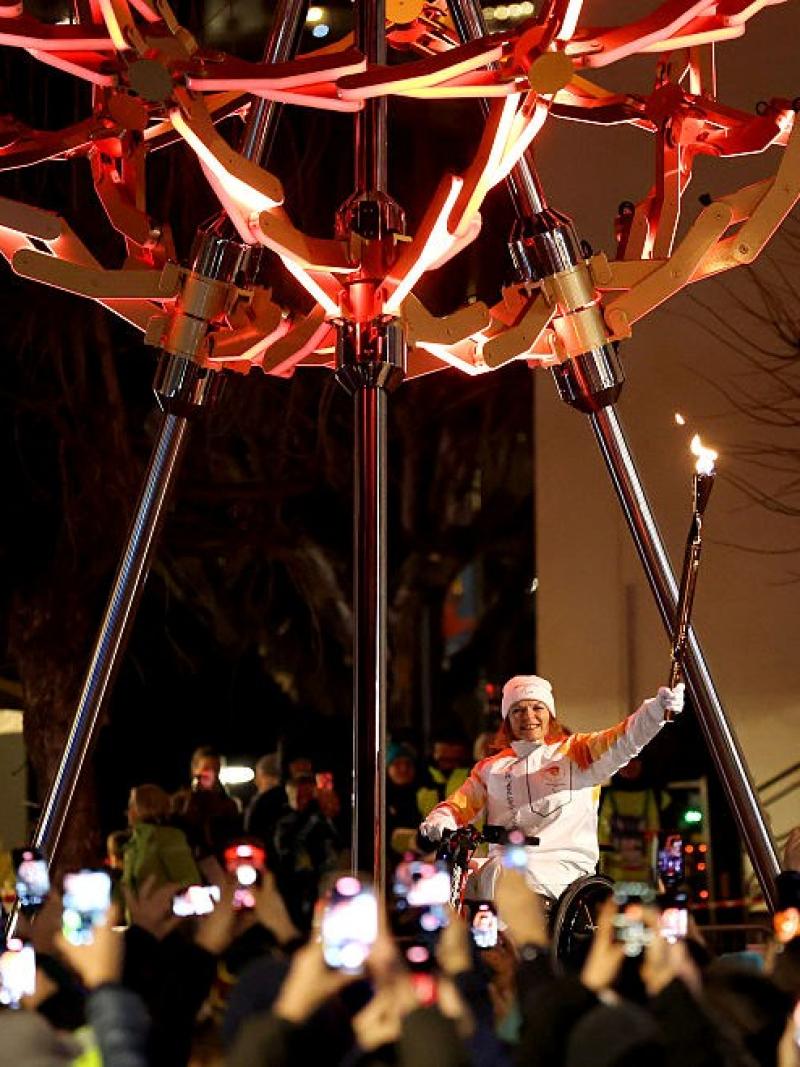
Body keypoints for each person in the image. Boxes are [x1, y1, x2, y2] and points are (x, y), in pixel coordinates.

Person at [419, 674, 685, 902]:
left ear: (550, 714)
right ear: (507, 719)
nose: (528, 717)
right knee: (442, 878)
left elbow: (624, 738)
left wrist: (655, 712)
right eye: (518, 710)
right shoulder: (491, 768)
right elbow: (461, 803)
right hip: (504, 862)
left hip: (562, 863)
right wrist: (443, 818)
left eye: (537, 707)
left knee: (507, 875)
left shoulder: (575, 752)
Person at [122, 784, 200, 895]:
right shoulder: (134, 844)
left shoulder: (167, 838)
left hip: (164, 911)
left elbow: (189, 880)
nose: (127, 812)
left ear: (144, 808)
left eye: (132, 806)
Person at [172, 745, 242, 860]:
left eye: (216, 769)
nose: (212, 775)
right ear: (195, 770)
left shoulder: (228, 803)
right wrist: (194, 798)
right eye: (206, 769)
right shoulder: (180, 800)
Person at [417, 733, 472, 819]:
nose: (449, 765)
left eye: (455, 760)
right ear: (433, 753)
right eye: (443, 759)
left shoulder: (474, 777)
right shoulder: (419, 776)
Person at [244, 754, 287, 857]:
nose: (256, 782)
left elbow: (250, 831)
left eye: (259, 776)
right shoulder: (295, 798)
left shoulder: (261, 803)